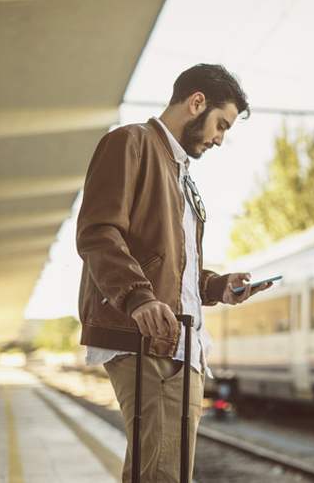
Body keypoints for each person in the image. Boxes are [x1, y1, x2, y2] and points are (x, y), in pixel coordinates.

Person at [76, 63, 272, 482]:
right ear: (196, 102)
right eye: (221, 125)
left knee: (155, 472)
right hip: (149, 341)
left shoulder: (179, 172)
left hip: (178, 342)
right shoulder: (131, 143)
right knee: (164, 474)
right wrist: (138, 297)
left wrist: (217, 286)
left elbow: (171, 267)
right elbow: (98, 232)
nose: (220, 139)